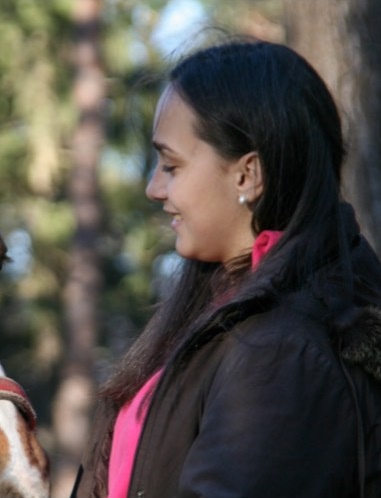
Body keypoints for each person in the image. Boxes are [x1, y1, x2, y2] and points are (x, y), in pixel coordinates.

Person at [70, 39, 381, 497]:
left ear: (247, 175)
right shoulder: (223, 319)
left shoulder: (284, 354)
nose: (154, 188)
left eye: (171, 165)